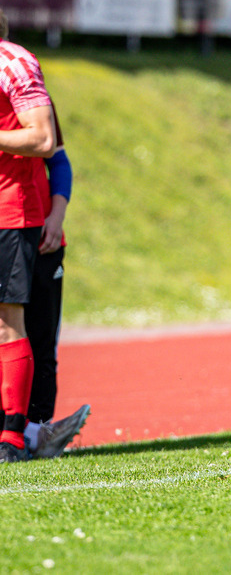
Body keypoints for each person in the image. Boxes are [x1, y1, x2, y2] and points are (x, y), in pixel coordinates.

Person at [0, 7, 57, 463]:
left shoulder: (14, 62)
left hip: (9, 211)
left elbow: (44, 140)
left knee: (7, 322)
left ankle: (13, 435)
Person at [22, 126, 91, 459]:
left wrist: (57, 215)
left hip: (45, 240)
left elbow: (59, 161)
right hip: (11, 235)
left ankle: (40, 429)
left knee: (43, 340)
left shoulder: (35, 98)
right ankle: (19, 432)